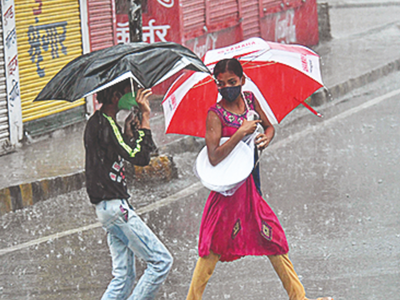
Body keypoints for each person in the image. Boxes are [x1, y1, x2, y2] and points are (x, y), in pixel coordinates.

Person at [186, 58, 332, 300]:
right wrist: (239, 134)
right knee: (212, 248)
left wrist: (266, 137)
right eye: (220, 83)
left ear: (242, 80)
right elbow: (213, 156)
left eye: (232, 81)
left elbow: (269, 127)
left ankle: (299, 297)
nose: (227, 87)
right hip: (228, 192)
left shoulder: (250, 100)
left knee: (273, 239)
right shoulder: (215, 114)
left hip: (251, 187)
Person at [84, 80, 173, 300]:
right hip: (114, 208)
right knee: (161, 261)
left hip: (108, 208)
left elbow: (119, 150)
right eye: (127, 92)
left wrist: (128, 133)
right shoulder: (105, 124)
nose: (132, 96)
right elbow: (141, 157)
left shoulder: (100, 123)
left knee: (123, 277)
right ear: (115, 97)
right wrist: (145, 116)